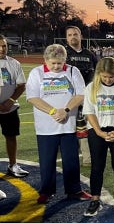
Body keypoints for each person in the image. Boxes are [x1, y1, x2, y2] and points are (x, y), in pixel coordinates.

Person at [25, 44, 91, 204]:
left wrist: (66, 110)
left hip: (68, 125)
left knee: (71, 159)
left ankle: (74, 190)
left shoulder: (72, 71)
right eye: (53, 63)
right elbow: (32, 97)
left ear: (64, 60)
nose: (56, 66)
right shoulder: (37, 73)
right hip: (45, 127)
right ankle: (46, 191)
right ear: (45, 60)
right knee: (47, 161)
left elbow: (81, 94)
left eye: (59, 63)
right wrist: (53, 112)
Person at [82, 57, 114, 216]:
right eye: (104, 77)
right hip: (97, 131)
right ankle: (95, 199)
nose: (108, 80)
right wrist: (99, 132)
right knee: (97, 167)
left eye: (111, 77)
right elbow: (89, 112)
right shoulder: (91, 87)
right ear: (99, 74)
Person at [65, 26, 98, 166]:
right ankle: (69, 154)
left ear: (81, 36)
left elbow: (97, 73)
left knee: (85, 126)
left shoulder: (90, 55)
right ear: (66, 38)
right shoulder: (63, 54)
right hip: (68, 96)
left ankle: (87, 158)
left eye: (75, 34)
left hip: (87, 96)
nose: (73, 37)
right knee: (67, 127)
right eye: (70, 35)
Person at [0, 34, 29, 184]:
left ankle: (13, 165)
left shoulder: (14, 63)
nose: (1, 49)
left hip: (10, 108)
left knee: (11, 136)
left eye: (4, 45)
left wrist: (10, 101)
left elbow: (21, 85)